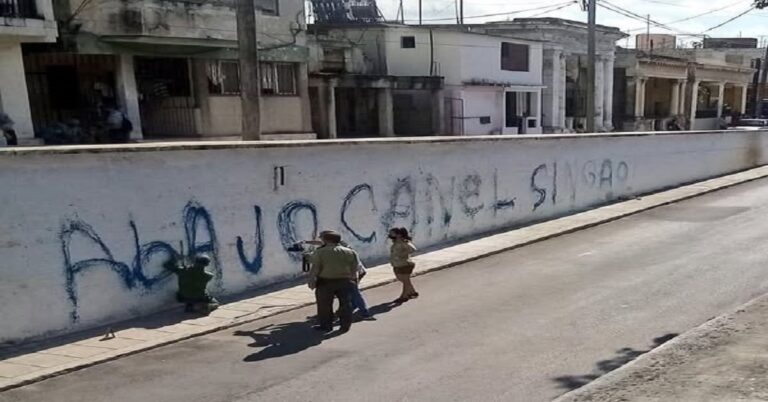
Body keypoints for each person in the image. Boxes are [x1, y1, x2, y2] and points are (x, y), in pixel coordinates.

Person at [303, 233, 372, 319]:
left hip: (353, 272)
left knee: (354, 294)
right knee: (349, 294)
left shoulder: (338, 247)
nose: (321, 240)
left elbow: (319, 263)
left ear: (328, 239)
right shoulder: (334, 244)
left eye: (322, 238)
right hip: (350, 272)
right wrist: (305, 242)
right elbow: (319, 244)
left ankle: (364, 313)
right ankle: (343, 313)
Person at [308, 230, 360, 333]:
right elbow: (354, 268)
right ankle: (345, 326)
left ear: (327, 240)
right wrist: (354, 280)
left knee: (324, 305)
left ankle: (326, 326)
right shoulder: (350, 251)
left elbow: (316, 268)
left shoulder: (320, 252)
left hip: (325, 282)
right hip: (345, 280)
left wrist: (311, 280)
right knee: (346, 304)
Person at [389, 227, 418, 304]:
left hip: (405, 264)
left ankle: (404, 296)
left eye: (392, 233)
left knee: (405, 281)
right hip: (397, 264)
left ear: (399, 234)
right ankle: (412, 292)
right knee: (402, 279)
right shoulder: (395, 242)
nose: (390, 234)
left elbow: (413, 249)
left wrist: (402, 255)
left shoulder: (403, 242)